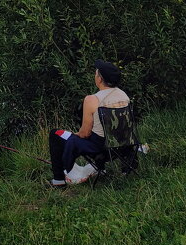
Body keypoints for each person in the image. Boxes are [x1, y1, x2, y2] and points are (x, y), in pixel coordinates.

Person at [48, 59, 130, 187]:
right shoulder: (124, 96)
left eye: (96, 73)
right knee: (95, 134)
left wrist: (74, 135)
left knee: (55, 134)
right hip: (123, 145)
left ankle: (58, 180)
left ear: (100, 79)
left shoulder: (92, 99)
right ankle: (107, 169)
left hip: (100, 149)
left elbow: (85, 133)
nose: (95, 76)